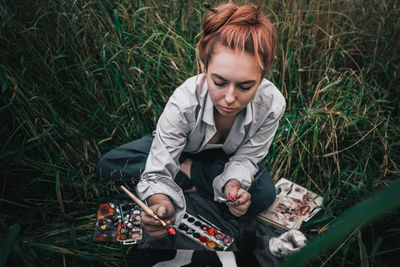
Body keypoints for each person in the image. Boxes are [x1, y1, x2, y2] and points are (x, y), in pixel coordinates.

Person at [97, 2, 285, 250]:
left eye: (244, 87)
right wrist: (160, 200)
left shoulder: (271, 104)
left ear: (263, 76)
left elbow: (248, 158)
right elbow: (158, 166)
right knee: (109, 165)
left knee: (263, 196)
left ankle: (189, 176)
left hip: (222, 161)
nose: (229, 98)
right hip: (180, 151)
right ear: (205, 67)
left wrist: (233, 186)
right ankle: (191, 178)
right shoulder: (184, 101)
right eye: (219, 82)